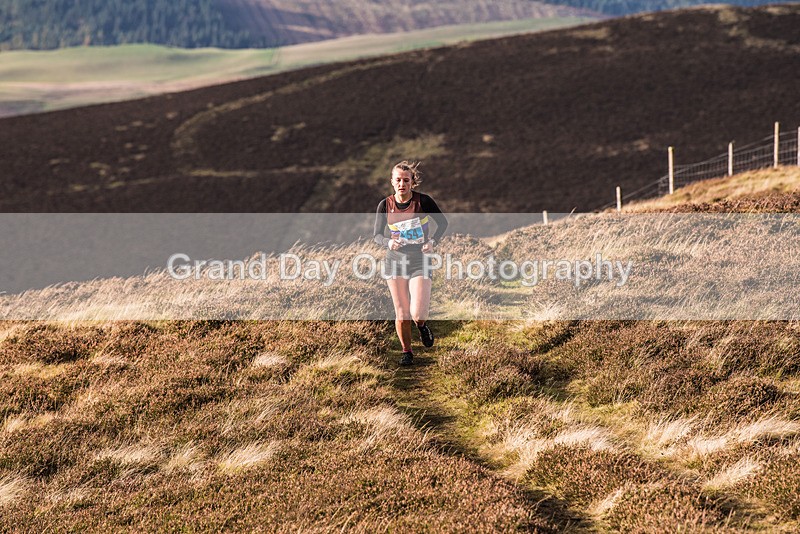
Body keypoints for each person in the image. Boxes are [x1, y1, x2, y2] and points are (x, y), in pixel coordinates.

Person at [373, 161, 448, 366]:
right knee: (402, 313)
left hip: (419, 261)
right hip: (395, 262)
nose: (402, 184)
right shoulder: (385, 205)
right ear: (392, 182)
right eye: (398, 180)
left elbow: (443, 223)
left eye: (406, 180)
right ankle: (407, 351)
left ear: (412, 182)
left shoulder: (424, 201)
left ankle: (422, 326)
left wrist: (432, 242)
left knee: (417, 314)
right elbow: (377, 235)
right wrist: (388, 242)